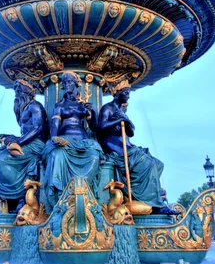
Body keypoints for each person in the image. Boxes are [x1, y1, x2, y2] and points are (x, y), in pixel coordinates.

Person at [98, 80, 177, 214]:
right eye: (126, 93)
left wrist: (126, 121)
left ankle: (147, 193)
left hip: (128, 146)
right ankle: (155, 205)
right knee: (149, 165)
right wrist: (119, 120)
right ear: (118, 93)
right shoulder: (108, 108)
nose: (128, 95)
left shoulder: (121, 111)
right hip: (116, 148)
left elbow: (131, 132)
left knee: (158, 164)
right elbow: (101, 126)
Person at [0, 79, 48, 212]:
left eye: (20, 92)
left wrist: (18, 142)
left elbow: (38, 128)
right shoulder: (23, 109)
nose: (17, 95)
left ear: (28, 93)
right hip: (26, 142)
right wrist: (9, 138)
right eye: (16, 92)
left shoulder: (34, 106)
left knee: (1, 160)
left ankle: (18, 197)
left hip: (36, 145)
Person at [43, 71, 102, 208]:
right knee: (57, 155)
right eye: (64, 83)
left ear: (77, 84)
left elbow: (94, 127)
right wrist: (54, 138)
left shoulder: (83, 105)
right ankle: (60, 194)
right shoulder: (60, 106)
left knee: (94, 155)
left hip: (83, 141)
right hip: (65, 138)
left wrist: (92, 112)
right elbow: (55, 125)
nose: (67, 84)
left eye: (70, 82)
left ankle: (81, 187)